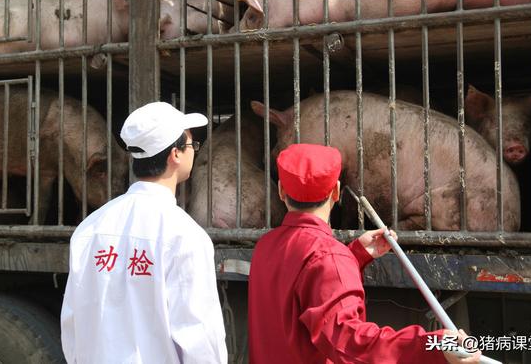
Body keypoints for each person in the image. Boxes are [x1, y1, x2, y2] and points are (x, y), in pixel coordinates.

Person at [248, 143, 481, 364]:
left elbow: (302, 285)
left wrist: (354, 255)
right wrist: (434, 344)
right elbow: (349, 343)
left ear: (280, 190)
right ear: (336, 192)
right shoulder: (328, 256)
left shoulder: (265, 245)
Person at [61, 102, 228, 364]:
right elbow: (199, 337)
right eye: (192, 146)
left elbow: (72, 322)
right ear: (175, 155)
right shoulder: (185, 236)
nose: (194, 153)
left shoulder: (89, 229)